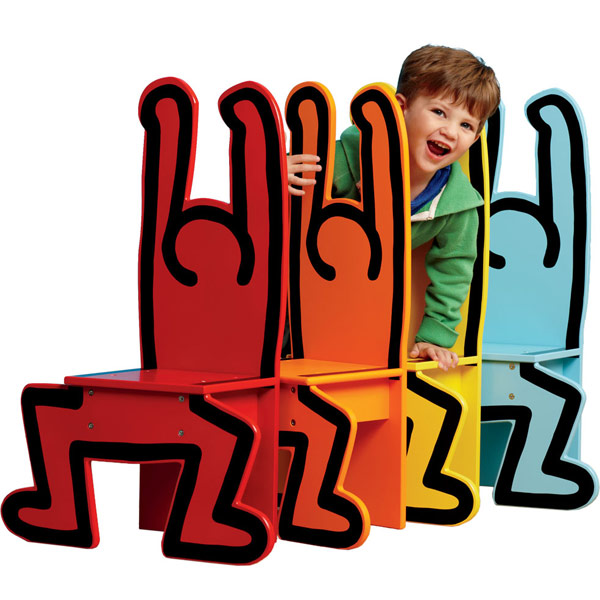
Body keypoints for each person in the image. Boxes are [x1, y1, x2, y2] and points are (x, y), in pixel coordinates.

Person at [287, 45, 500, 371]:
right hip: (304, 286)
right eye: (439, 112)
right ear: (401, 109)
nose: (450, 131)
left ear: (476, 137)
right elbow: (291, 205)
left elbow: (454, 272)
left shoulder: (457, 205)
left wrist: (435, 337)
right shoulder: (347, 161)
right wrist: (279, 172)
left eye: (467, 126)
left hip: (364, 310)